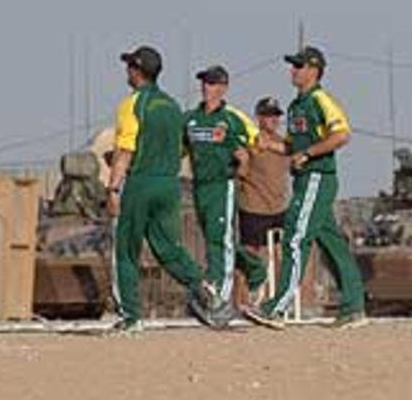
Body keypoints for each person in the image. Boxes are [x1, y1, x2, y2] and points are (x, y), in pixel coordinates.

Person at [245, 46, 367, 330]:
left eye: (299, 66)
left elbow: (341, 134)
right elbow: (291, 146)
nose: (293, 71)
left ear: (314, 70)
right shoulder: (296, 105)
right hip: (303, 179)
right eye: (293, 66)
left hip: (316, 177)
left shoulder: (320, 100)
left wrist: (309, 154)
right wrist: (271, 145)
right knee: (331, 243)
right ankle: (354, 306)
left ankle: (276, 307)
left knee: (295, 237)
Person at [106, 45, 215, 334]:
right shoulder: (171, 105)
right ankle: (199, 283)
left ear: (136, 71)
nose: (126, 70)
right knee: (167, 247)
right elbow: (180, 147)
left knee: (126, 249)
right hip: (169, 183)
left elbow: (126, 149)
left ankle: (130, 316)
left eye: (129, 65)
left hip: (141, 181)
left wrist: (114, 188)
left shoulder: (132, 104)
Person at [182, 65, 267, 317]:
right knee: (216, 240)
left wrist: (244, 166)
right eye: (204, 83)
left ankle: (219, 297)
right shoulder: (190, 119)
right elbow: (181, 148)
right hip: (200, 186)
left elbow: (250, 147)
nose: (206, 88)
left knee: (221, 239)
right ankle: (255, 269)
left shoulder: (231, 118)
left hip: (222, 185)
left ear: (223, 87)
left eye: (212, 83)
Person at [237, 97, 290, 299]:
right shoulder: (251, 142)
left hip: (278, 207)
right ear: (259, 118)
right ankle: (240, 301)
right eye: (269, 115)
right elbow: (241, 171)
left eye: (276, 115)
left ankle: (276, 300)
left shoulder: (283, 143)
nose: (273, 119)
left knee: (278, 255)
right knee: (249, 256)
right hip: (253, 206)